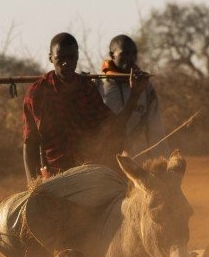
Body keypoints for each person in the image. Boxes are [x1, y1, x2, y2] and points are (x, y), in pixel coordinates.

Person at [21, 32, 148, 183]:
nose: (66, 63)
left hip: (93, 174)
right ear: (50, 58)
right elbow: (30, 144)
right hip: (56, 179)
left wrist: (134, 95)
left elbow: (113, 128)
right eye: (60, 59)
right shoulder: (37, 94)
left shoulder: (87, 88)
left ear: (77, 56)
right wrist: (32, 185)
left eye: (71, 58)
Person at [100, 34, 166, 156]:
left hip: (138, 157)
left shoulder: (146, 87)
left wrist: (160, 160)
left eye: (133, 54)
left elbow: (155, 128)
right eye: (125, 54)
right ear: (112, 55)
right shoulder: (98, 85)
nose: (130, 58)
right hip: (106, 157)